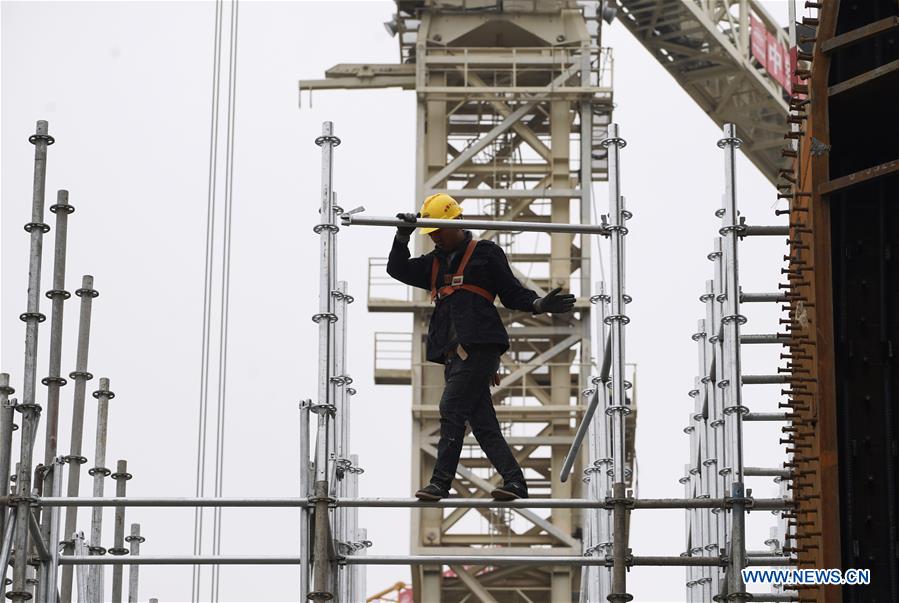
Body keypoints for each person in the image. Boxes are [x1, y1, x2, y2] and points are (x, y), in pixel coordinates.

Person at [386, 193, 576, 501]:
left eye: (440, 230)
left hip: (480, 347)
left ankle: (441, 482)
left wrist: (539, 304)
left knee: (450, 408)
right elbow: (397, 269)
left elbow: (512, 293)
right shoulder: (433, 264)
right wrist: (401, 236)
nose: (435, 237)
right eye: (431, 232)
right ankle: (515, 481)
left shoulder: (485, 254)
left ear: (458, 223)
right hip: (453, 354)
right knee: (483, 423)